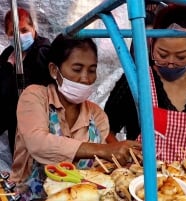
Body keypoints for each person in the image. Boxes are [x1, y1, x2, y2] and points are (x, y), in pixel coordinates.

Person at [9, 34, 141, 200]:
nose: (86, 78)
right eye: (77, 69)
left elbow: (98, 168)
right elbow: (38, 143)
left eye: (92, 70)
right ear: (54, 70)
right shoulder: (35, 97)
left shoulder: (96, 115)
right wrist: (102, 150)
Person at [104, 4, 186, 163]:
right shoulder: (135, 81)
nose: (170, 63)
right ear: (152, 45)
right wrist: (120, 151)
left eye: (181, 56)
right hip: (142, 182)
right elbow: (106, 128)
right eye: (162, 54)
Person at [0, 7, 52, 156]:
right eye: (13, 33)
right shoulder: (8, 54)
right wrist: (9, 67)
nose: (19, 37)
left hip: (39, 122)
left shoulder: (43, 51)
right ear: (7, 35)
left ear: (33, 28)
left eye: (24, 30)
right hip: (14, 122)